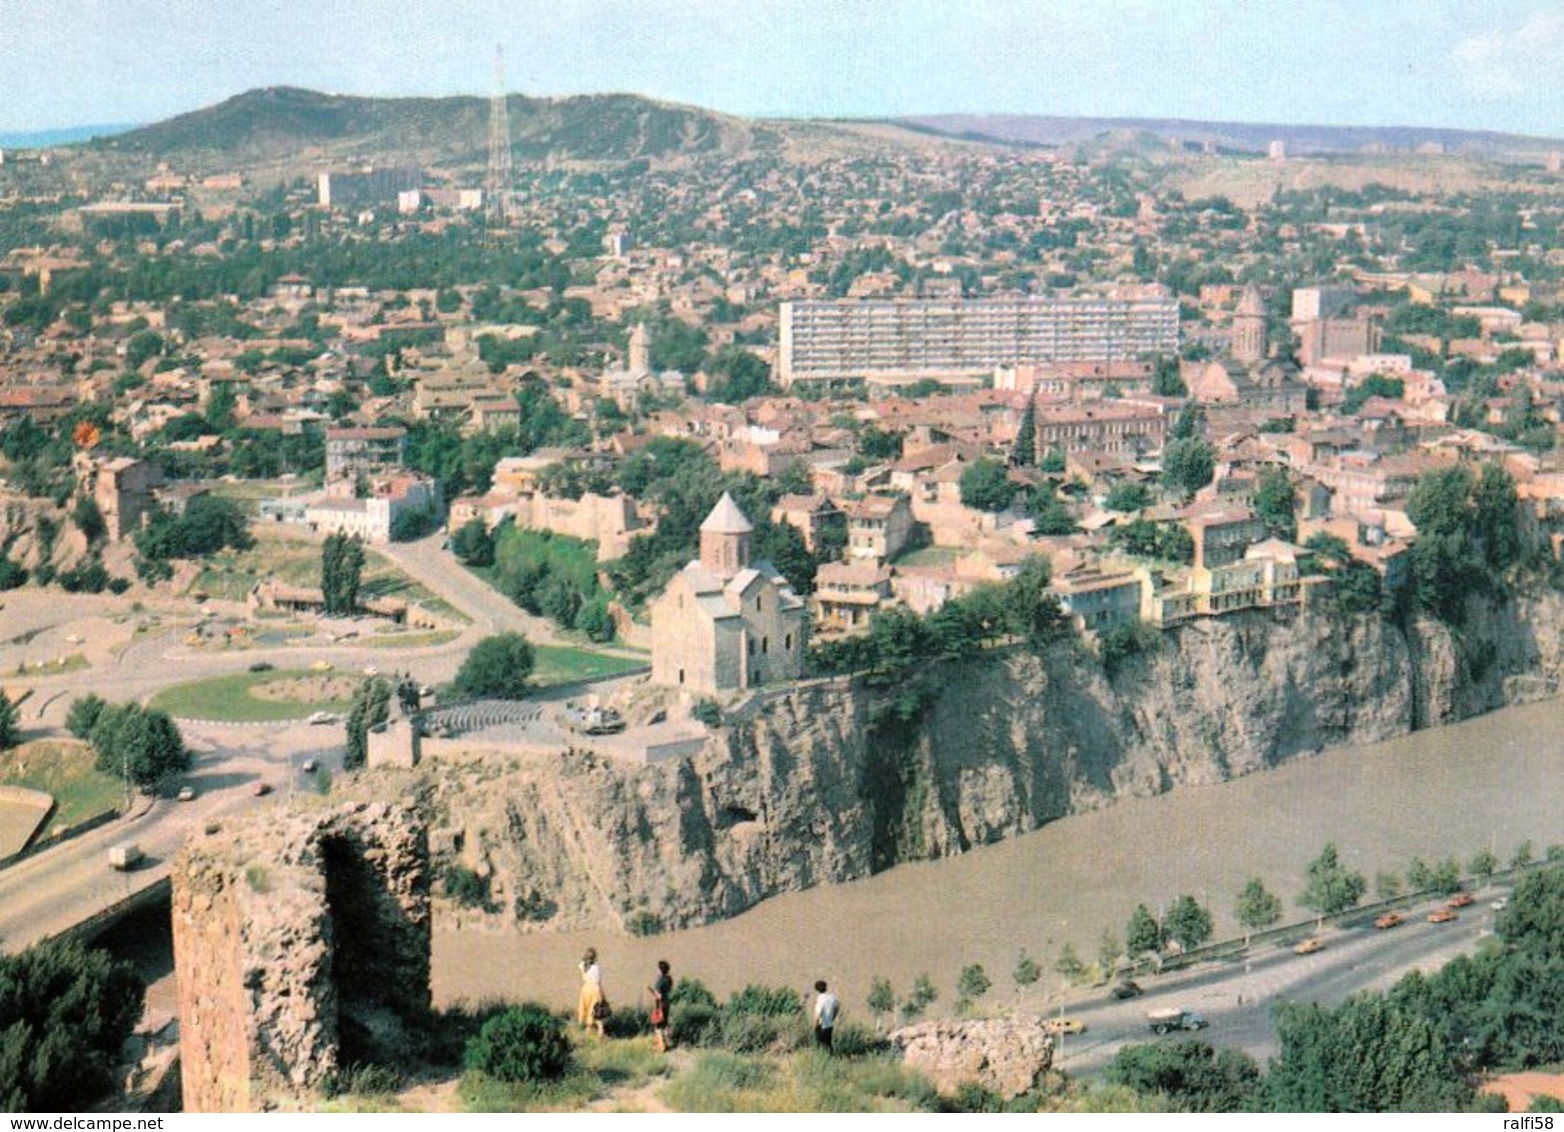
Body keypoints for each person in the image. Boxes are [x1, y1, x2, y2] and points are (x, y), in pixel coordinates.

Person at [578, 948, 608, 1037]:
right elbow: (598, 982)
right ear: (595, 958)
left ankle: (588, 1034)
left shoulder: (582, 966)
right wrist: (603, 996)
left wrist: (585, 958)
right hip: (595, 989)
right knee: (597, 1012)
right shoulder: (596, 968)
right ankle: (600, 1034)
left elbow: (581, 963)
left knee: (588, 1011)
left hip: (585, 989)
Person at [648, 960, 674, 1052]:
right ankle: (666, 1043)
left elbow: (659, 996)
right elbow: (669, 989)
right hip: (667, 1002)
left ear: (660, 970)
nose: (656, 971)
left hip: (660, 1004)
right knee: (664, 1024)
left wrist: (652, 992)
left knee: (658, 1026)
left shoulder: (659, 981)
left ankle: (661, 1046)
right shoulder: (669, 978)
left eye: (657, 969)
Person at [812, 980, 839, 1051]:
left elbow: (817, 1015)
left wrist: (815, 1026)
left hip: (821, 1026)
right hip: (829, 1025)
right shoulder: (832, 998)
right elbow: (837, 1008)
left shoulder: (820, 999)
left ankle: (821, 1060)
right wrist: (833, 1017)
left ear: (816, 989)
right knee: (828, 1045)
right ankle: (831, 1059)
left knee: (819, 1047)